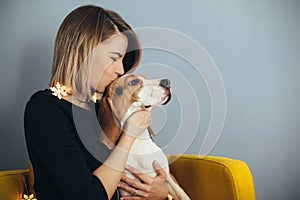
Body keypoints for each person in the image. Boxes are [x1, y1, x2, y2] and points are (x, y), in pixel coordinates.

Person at [24, 5, 171, 200]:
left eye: (123, 61)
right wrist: (128, 136)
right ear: (83, 52)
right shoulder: (45, 109)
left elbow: (146, 167)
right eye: (114, 58)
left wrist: (162, 191)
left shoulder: (105, 109)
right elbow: (88, 196)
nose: (120, 70)